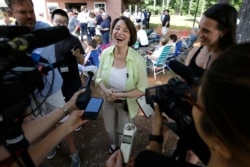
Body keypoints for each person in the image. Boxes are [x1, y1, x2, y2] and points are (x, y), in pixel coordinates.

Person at [166, 2, 238, 165]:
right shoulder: (196, 50)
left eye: (206, 30)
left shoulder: (229, 64)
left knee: (193, 152)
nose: (199, 33)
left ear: (223, 32)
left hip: (207, 124)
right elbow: (185, 85)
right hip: (186, 116)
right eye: (199, 28)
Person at [4, 0, 71, 161]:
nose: (29, 16)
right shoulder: (8, 37)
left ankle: (73, 151)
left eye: (31, 11)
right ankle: (50, 146)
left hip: (53, 90)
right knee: (42, 125)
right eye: (22, 12)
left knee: (64, 121)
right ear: (11, 13)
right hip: (32, 95)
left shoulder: (45, 30)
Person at [96, 16, 148, 154]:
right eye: (117, 28)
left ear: (130, 37)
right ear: (112, 32)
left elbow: (142, 89)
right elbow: (98, 77)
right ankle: (115, 144)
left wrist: (120, 95)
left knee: (125, 132)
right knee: (109, 129)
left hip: (127, 104)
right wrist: (106, 91)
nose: (119, 32)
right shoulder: (106, 53)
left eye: (125, 30)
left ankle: (124, 152)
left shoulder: (138, 60)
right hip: (108, 101)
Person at [0, 89, 88, 167]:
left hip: (51, 88)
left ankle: (72, 150)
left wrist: (68, 106)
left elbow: (14, 143)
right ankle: (54, 146)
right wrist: (66, 125)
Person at [51, 8, 86, 167]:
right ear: (53, 22)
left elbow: (82, 61)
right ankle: (53, 143)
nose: (61, 25)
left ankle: (74, 123)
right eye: (58, 22)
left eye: (64, 22)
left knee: (73, 104)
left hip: (72, 80)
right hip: (54, 84)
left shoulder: (73, 39)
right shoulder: (47, 41)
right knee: (54, 113)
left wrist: (77, 54)